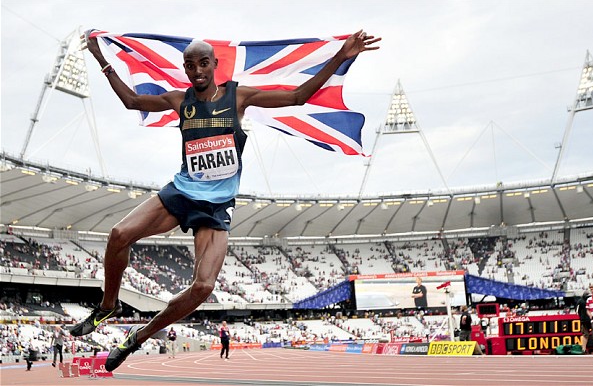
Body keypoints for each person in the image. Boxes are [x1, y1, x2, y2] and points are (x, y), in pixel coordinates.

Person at [70, 28, 381, 373]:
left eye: (204, 63)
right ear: (185, 69)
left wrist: (342, 55)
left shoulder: (238, 98)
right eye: (191, 65)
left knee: (203, 286)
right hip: (183, 191)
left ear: (214, 64)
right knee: (118, 235)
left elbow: (298, 96)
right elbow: (132, 101)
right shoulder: (179, 101)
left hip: (217, 206)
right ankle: (108, 306)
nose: (198, 70)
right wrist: (101, 58)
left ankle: (137, 338)